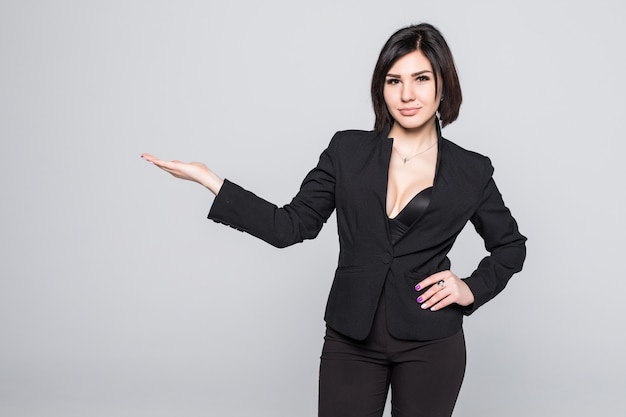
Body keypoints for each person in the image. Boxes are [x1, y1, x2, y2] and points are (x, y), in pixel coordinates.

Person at [141, 23, 526, 417]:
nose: (407, 94)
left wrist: (471, 289)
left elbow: (511, 246)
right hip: (351, 338)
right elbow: (288, 226)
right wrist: (211, 180)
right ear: (381, 88)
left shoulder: (471, 170)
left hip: (431, 341)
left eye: (421, 79)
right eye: (394, 80)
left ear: (443, 85)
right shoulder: (347, 150)